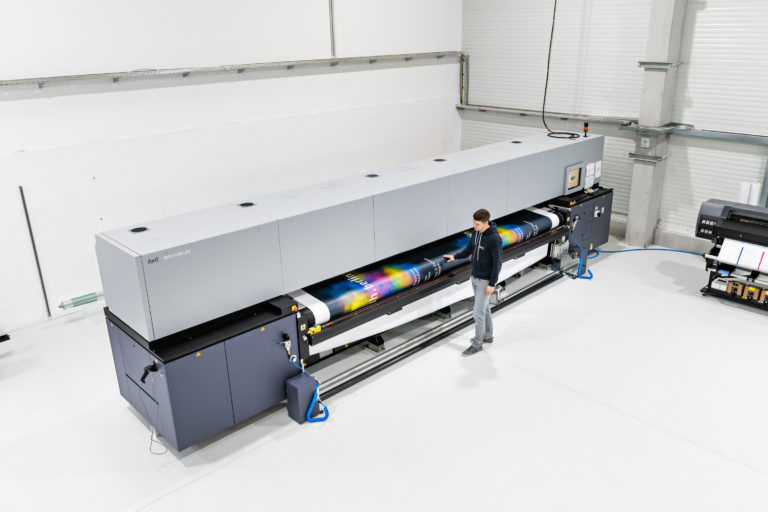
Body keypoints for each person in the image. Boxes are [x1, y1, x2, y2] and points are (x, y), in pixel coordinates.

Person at [443, 208, 502, 356]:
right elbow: (469, 249)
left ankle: (477, 344)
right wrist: (455, 257)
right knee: (484, 309)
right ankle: (488, 336)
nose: (474, 227)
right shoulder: (476, 233)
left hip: (485, 280)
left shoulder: (494, 239)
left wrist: (492, 283)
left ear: (486, 222)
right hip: (475, 276)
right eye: (473, 223)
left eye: (477, 224)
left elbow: (498, 263)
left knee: (478, 313)